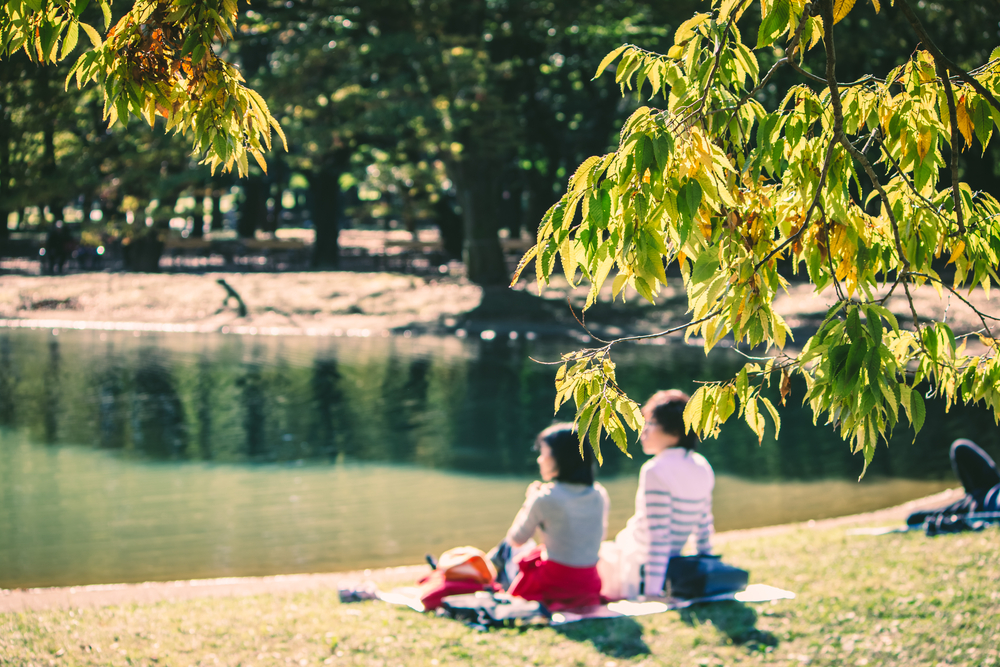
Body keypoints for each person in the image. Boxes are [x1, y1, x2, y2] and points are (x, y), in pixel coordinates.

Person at [601, 389, 715, 599]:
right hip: (668, 559)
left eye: (650, 424)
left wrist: (653, 592)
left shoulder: (655, 470)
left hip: (637, 561)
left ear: (675, 432)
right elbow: (703, 526)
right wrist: (709, 563)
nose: (642, 431)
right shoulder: (702, 466)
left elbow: (657, 536)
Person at [500, 422, 609, 610]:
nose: (539, 460)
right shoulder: (599, 494)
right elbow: (597, 538)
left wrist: (529, 501)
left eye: (543, 454)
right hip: (588, 583)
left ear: (560, 459)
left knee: (508, 550)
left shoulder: (544, 498)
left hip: (555, 583)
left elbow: (516, 539)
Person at [907, 438, 1000, 532]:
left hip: (980, 505)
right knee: (960, 447)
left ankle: (968, 498)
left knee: (914, 517)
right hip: (993, 484)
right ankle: (969, 494)